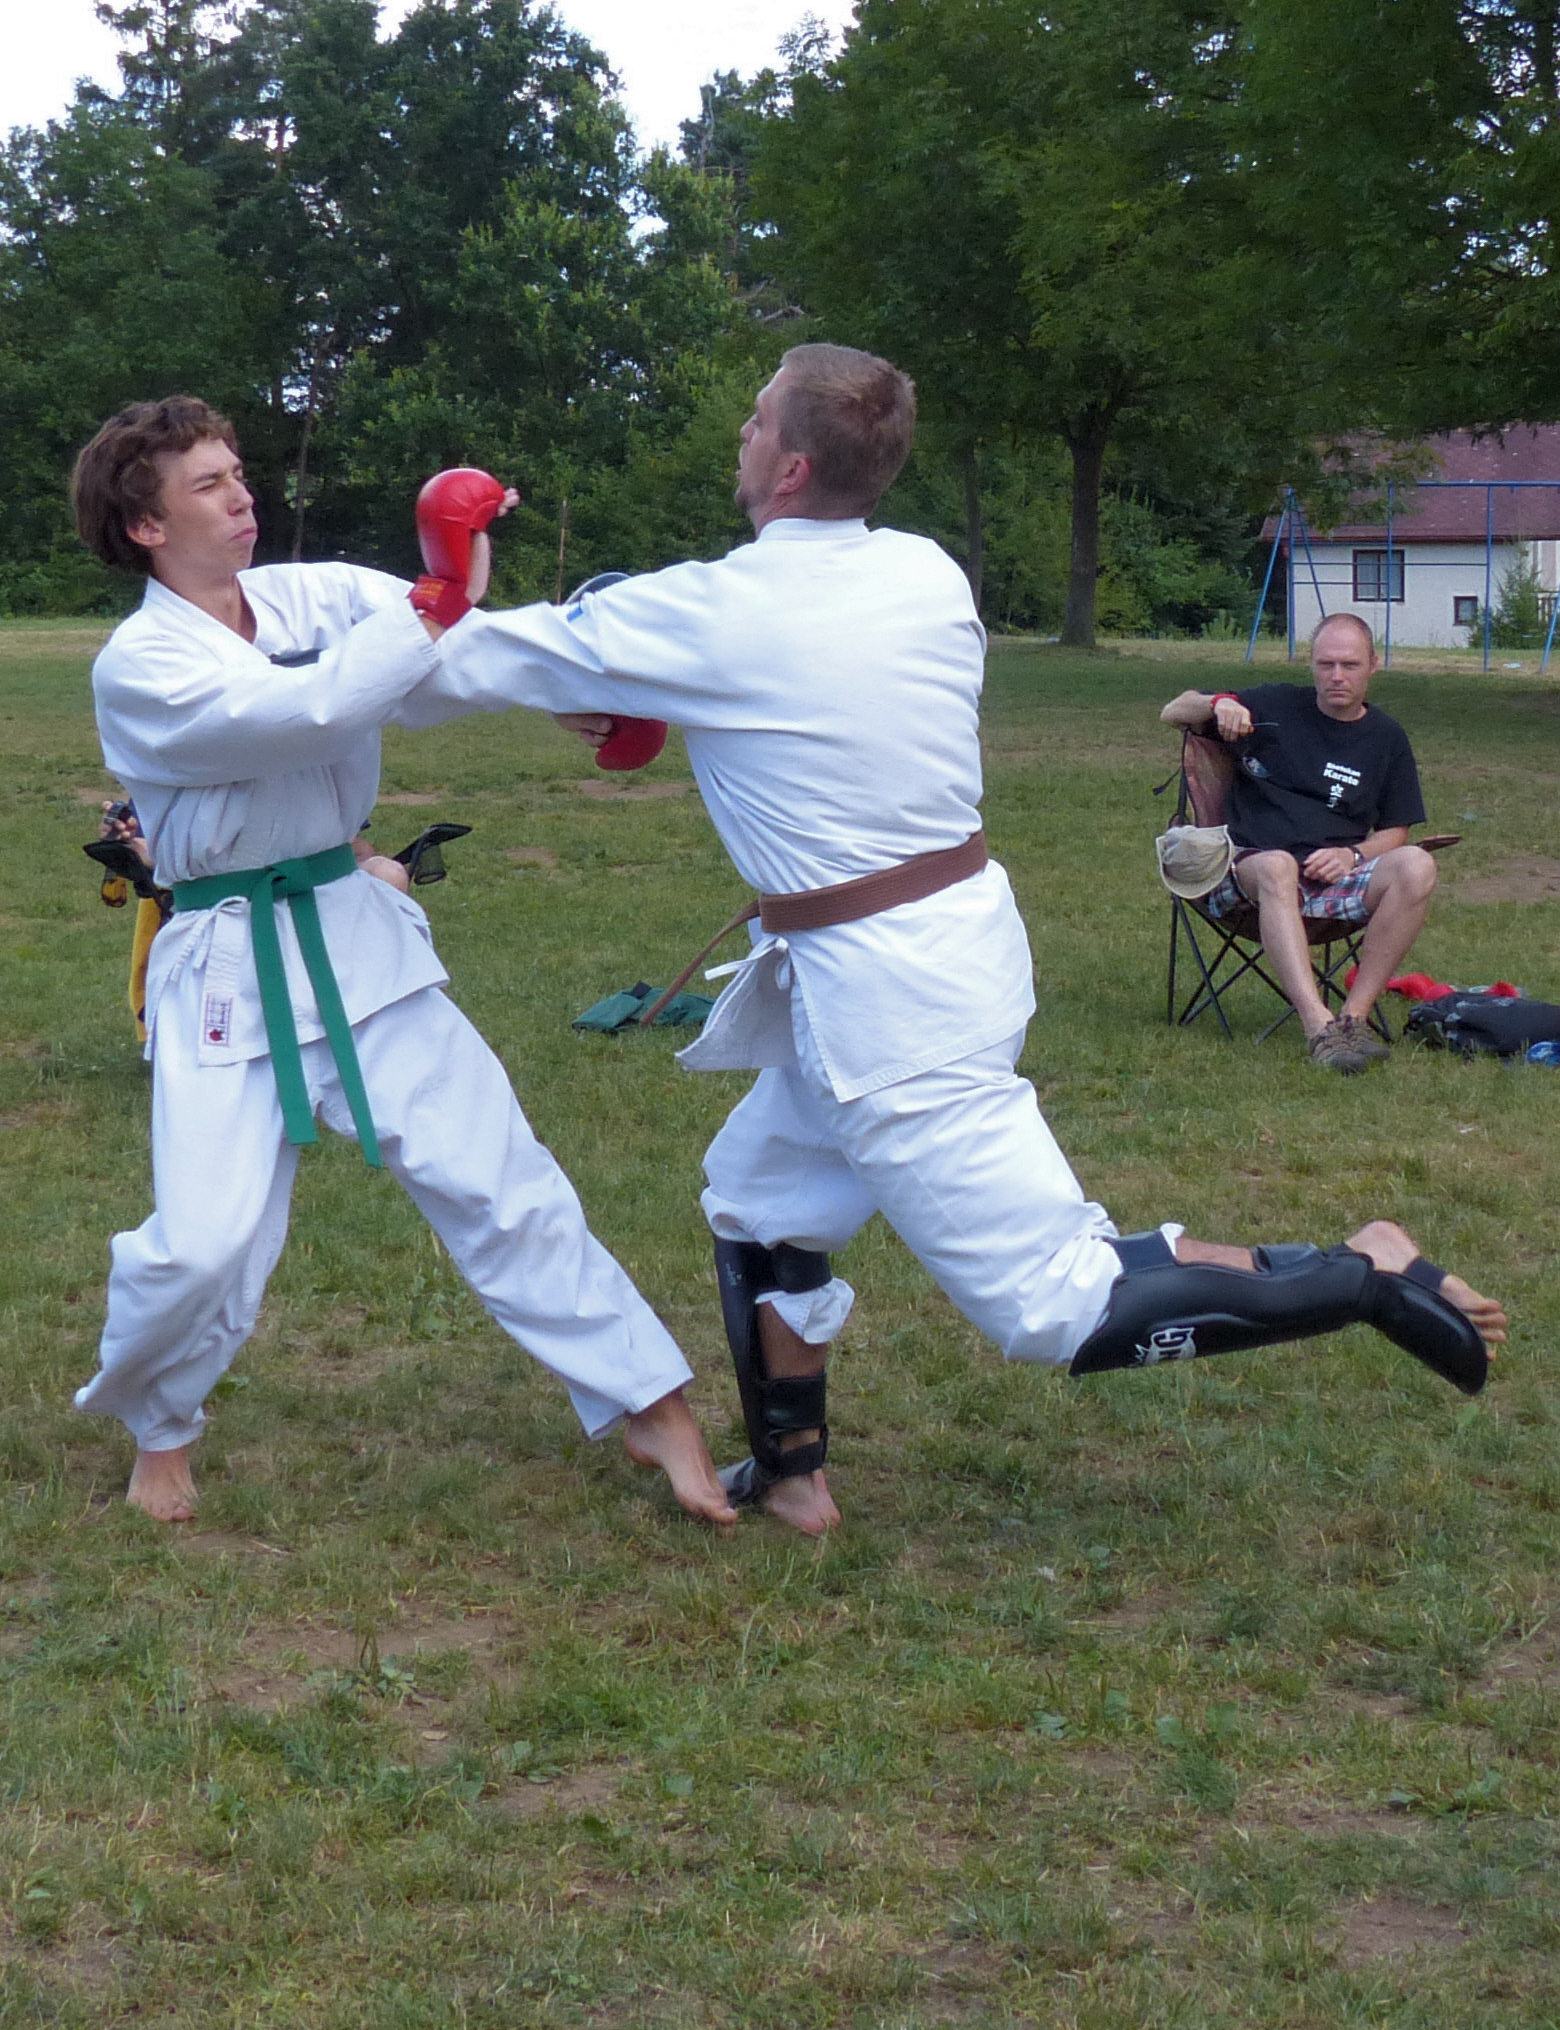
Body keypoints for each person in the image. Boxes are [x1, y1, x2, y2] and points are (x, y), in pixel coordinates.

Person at [393, 343, 1507, 1536]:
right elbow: (797, 692)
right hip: (935, 943)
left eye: (757, 419)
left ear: (792, 465)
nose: (743, 434)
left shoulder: (715, 611)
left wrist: (467, 571)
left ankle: (1359, 1273)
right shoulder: (926, 572)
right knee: (762, 1202)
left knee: (1053, 1304)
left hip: (892, 997)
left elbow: (446, 667)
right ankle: (792, 1475)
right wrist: (632, 684)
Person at [70, 395, 735, 1528]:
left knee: (498, 1177)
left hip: (352, 928)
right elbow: (308, 711)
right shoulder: (141, 665)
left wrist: (564, 693)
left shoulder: (311, 593)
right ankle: (161, 1425)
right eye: (210, 485)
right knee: (203, 1246)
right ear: (146, 525)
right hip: (228, 958)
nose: (242, 498)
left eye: (239, 473)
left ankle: (650, 1403)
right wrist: (435, 594)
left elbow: (442, 656)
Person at [1160, 617, 1437, 1074]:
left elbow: (1396, 831)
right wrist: (1219, 703)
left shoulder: (1387, 738)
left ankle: (1353, 1019)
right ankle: (1318, 1027)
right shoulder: (1274, 705)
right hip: (1246, 872)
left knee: (1417, 865)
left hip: (1335, 878)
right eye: (1326, 664)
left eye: (1349, 665)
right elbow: (1173, 711)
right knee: (1278, 867)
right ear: (1311, 664)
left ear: (1373, 665)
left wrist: (1353, 855)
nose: (1337, 676)